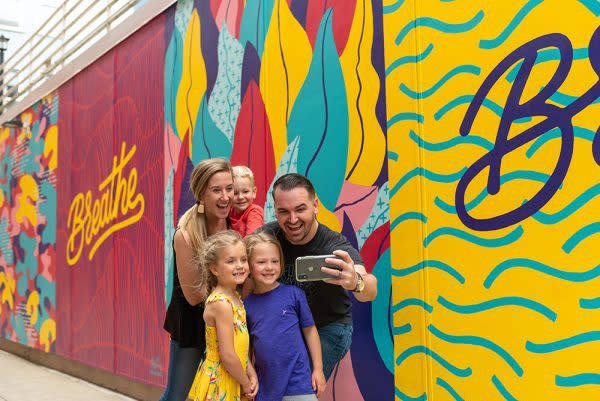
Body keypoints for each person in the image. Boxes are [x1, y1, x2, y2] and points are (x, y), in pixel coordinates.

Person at [258, 173, 378, 379]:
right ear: (275, 212)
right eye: (284, 212)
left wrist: (355, 282)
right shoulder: (264, 238)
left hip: (329, 328)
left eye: (300, 209)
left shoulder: (334, 245)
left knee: (296, 382)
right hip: (286, 327)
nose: (293, 219)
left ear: (315, 206)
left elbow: (370, 288)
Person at [159, 158, 236, 401]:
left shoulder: (236, 224)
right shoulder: (187, 234)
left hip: (228, 321)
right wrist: (232, 301)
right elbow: (194, 295)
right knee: (178, 395)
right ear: (201, 193)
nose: (225, 197)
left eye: (229, 188)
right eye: (216, 190)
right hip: (192, 324)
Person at [244, 233, 326, 401]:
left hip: (299, 382)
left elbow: (310, 331)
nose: (269, 267)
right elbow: (247, 348)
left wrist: (318, 369)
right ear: (249, 266)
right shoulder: (246, 305)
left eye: (275, 261)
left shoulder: (294, 295)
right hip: (266, 386)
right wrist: (249, 378)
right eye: (261, 262)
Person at [189, 230, 258, 401]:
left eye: (243, 259)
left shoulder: (235, 297)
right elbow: (227, 355)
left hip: (233, 374)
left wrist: (250, 372)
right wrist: (245, 382)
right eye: (230, 261)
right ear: (214, 269)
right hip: (220, 381)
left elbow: (238, 348)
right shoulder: (221, 304)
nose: (240, 265)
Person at [229, 165, 264, 237]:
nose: (240, 197)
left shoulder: (254, 212)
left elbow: (252, 239)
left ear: (254, 192)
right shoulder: (229, 212)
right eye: (235, 193)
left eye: (245, 192)